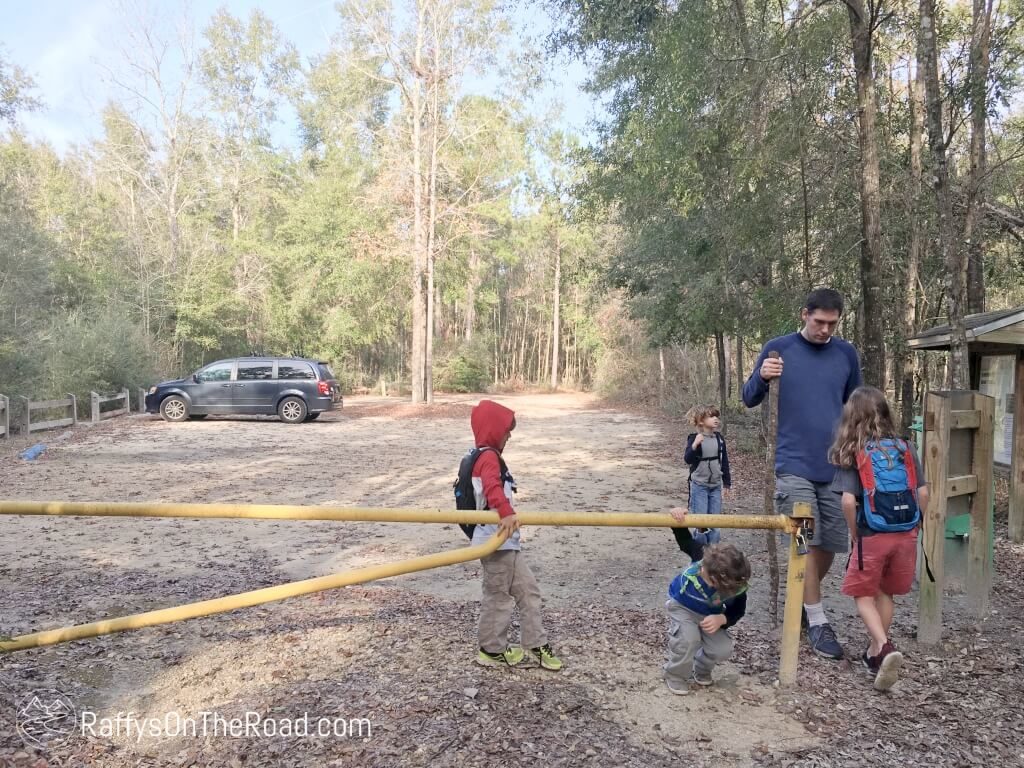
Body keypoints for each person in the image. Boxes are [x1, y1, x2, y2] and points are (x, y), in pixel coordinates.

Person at [742, 288, 862, 660]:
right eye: (819, 321)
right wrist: (762, 375)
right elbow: (748, 398)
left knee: (828, 545)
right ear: (804, 315)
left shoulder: (846, 354)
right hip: (793, 466)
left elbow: (856, 406)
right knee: (801, 541)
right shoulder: (780, 349)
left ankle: (803, 601)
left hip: (836, 465)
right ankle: (817, 618)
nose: (825, 329)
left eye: (832, 323)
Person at [829, 386, 929, 691]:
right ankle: (874, 654)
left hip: (873, 532)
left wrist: (855, 532)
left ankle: (884, 646)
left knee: (863, 594)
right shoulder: (905, 448)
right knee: (886, 592)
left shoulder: (853, 450)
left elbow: (848, 501)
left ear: (852, 417)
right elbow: (923, 492)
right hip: (905, 532)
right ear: (886, 413)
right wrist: (916, 525)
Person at [455, 399, 562, 671]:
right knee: (499, 596)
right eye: (506, 430)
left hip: (506, 540)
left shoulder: (488, 455)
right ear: (493, 429)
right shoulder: (488, 456)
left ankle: (536, 643)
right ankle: (491, 649)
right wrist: (506, 512)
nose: (509, 435)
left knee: (529, 591)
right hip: (494, 541)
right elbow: (491, 487)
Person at [663, 543, 751, 694]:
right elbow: (685, 538)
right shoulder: (694, 573)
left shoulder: (735, 587)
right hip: (683, 608)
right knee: (689, 639)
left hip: (710, 614)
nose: (702, 571)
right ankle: (675, 675)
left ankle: (701, 668)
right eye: (703, 570)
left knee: (722, 649)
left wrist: (722, 619)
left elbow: (737, 610)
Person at [669, 405, 731, 562]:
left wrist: (727, 484)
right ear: (701, 421)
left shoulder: (719, 439)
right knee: (701, 524)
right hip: (700, 486)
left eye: (716, 416)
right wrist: (695, 445)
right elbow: (687, 459)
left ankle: (714, 558)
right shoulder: (693, 438)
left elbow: (724, 463)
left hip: (715, 486)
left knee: (715, 524)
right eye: (711, 416)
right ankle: (700, 559)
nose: (716, 419)